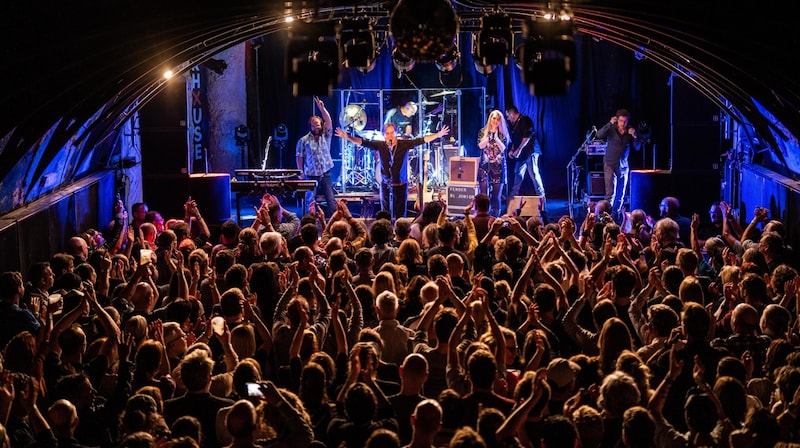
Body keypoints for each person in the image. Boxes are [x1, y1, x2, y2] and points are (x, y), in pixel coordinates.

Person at [335, 123, 449, 220]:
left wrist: (438, 134)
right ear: (384, 135)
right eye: (388, 133)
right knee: (385, 214)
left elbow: (421, 140)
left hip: (401, 185)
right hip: (386, 185)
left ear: (396, 133)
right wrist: (347, 137)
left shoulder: (403, 144)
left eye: (392, 132)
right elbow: (363, 142)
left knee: (400, 215)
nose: (390, 135)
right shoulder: (380, 145)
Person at [296, 95, 337, 217]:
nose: (316, 127)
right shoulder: (303, 140)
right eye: (314, 125)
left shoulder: (326, 135)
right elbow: (299, 156)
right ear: (310, 126)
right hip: (311, 175)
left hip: (325, 173)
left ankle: (334, 224)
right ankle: (310, 223)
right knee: (310, 200)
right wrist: (300, 172)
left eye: (318, 124)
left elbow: (329, 121)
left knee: (331, 200)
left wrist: (322, 108)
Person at [595, 108, 641, 215]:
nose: (623, 124)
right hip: (609, 163)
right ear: (617, 120)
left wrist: (635, 136)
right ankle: (606, 215)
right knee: (610, 192)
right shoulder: (611, 128)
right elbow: (599, 135)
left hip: (623, 166)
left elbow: (637, 147)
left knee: (621, 193)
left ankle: (616, 215)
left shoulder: (630, 131)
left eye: (625, 121)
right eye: (621, 121)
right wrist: (609, 124)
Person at [505, 106, 545, 204]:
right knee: (517, 174)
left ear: (512, 113)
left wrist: (518, 149)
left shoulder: (525, 120)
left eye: (508, 116)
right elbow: (516, 139)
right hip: (521, 154)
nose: (507, 118)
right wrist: (512, 149)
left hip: (530, 152)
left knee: (534, 174)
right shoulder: (514, 125)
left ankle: (542, 199)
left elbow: (527, 136)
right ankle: (512, 200)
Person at [477, 110, 509, 216]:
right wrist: (489, 138)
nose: (495, 121)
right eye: (493, 118)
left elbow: (503, 148)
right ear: (490, 119)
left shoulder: (502, 134)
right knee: (483, 195)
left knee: (496, 196)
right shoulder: (483, 131)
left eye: (498, 119)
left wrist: (495, 138)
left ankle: (496, 218)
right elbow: (480, 146)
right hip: (484, 167)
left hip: (498, 168)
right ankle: (483, 216)